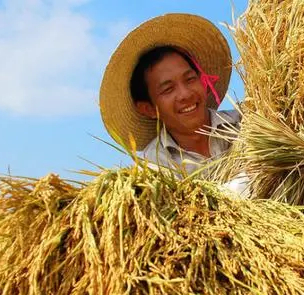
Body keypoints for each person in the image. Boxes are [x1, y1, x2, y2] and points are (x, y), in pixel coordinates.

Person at [98, 13, 247, 196]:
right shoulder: (153, 168)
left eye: (190, 79)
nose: (185, 94)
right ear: (149, 109)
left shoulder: (246, 123)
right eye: (168, 90)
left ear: (202, 81)